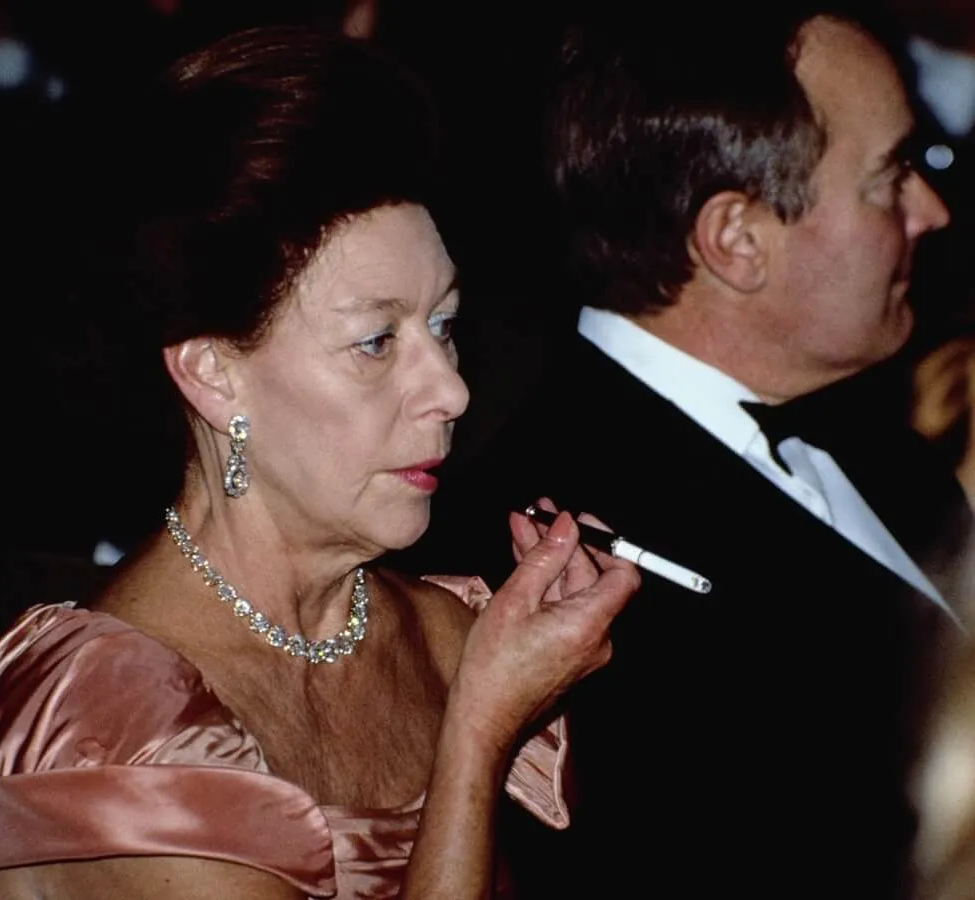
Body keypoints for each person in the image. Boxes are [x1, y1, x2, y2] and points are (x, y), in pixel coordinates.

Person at [0, 25, 640, 899]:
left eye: (443, 325)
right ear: (215, 376)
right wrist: (479, 730)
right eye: (376, 342)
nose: (451, 389)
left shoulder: (448, 633)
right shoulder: (112, 728)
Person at [407, 5, 972, 899]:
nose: (931, 210)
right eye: (889, 176)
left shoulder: (869, 433)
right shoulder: (538, 557)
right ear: (737, 240)